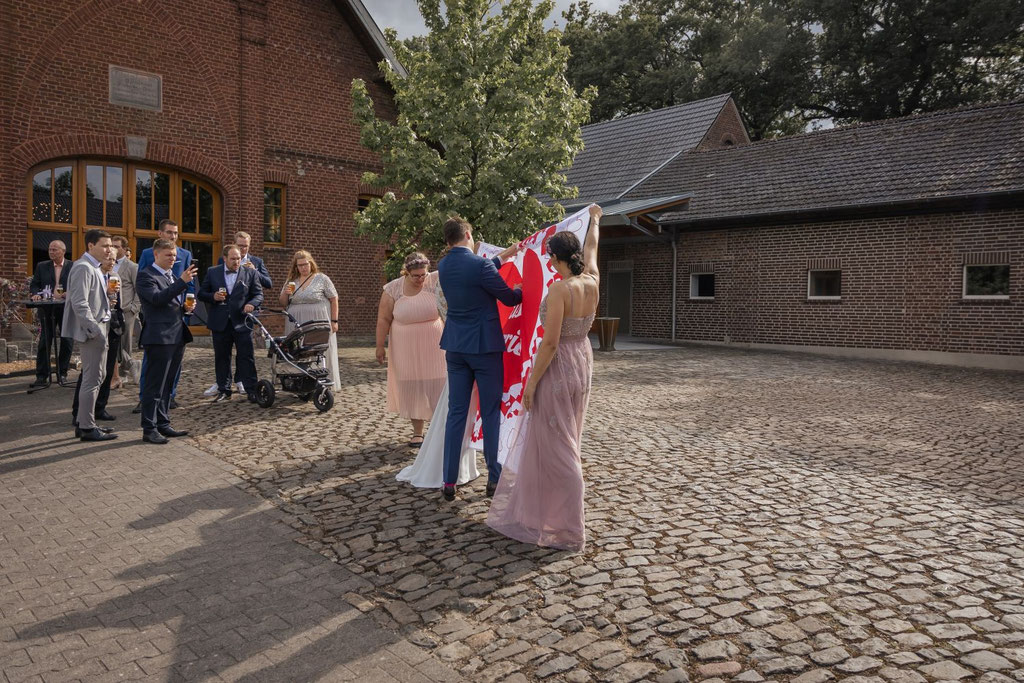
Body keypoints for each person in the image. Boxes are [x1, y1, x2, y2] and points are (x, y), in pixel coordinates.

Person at [487, 205, 602, 551]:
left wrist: (531, 385)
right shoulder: (593, 279)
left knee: (559, 445)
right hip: (582, 358)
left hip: (560, 363)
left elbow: (549, 343)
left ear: (556, 258)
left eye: (551, 258)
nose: (549, 263)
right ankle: (547, 514)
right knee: (569, 435)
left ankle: (567, 525)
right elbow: (593, 246)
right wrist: (595, 220)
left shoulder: (559, 291)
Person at [437, 217, 522, 502]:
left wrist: (504, 256)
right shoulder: (479, 265)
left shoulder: (444, 266)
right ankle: (493, 477)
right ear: (468, 234)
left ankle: (449, 481)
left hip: (456, 347)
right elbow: (509, 299)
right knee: (490, 412)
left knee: (456, 413)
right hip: (484, 348)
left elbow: (479, 271)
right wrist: (525, 289)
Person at [375, 252, 447, 446]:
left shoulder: (435, 280)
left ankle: (440, 428)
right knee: (412, 386)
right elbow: (383, 319)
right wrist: (380, 346)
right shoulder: (393, 288)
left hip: (435, 343)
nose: (420, 279)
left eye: (423, 274)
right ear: (406, 272)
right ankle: (417, 432)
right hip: (404, 345)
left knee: (439, 384)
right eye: (415, 276)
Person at [136, 238, 197, 444]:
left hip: (177, 334)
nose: (172, 259)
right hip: (159, 337)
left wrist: (185, 308)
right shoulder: (146, 276)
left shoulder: (171, 276)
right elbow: (156, 300)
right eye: (168, 255)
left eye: (174, 256)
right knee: (154, 385)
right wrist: (182, 282)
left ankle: (163, 423)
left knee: (167, 385)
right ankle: (149, 428)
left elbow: (170, 303)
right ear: (156, 255)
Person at [61, 229, 117, 442]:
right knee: (92, 379)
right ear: (90, 246)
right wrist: (95, 331)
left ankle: (87, 421)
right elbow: (79, 303)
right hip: (93, 331)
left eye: (111, 245)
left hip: (99, 328)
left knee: (98, 377)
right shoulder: (83, 267)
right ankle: (86, 427)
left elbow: (91, 300)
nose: (109, 249)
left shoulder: (94, 268)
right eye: (105, 245)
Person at [133, 219, 193, 413]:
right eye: (169, 232)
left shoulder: (183, 258)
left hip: (176, 322)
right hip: (158, 325)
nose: (173, 236)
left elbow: (186, 286)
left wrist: (186, 306)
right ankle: (147, 404)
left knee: (171, 372)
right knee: (154, 372)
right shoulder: (147, 264)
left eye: (175, 233)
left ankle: (167, 405)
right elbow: (153, 294)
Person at [205, 230, 271, 396]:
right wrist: (213, 296)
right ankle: (223, 388)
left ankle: (251, 390)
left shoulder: (251, 271)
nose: (237, 260)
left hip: (242, 321)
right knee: (222, 357)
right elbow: (202, 293)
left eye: (240, 256)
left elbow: (259, 293)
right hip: (220, 321)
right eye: (233, 258)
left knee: (246, 357)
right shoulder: (214, 271)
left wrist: (252, 304)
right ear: (225, 258)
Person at [72, 252, 124, 428]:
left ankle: (99, 409)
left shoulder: (115, 277)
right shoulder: (89, 272)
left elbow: (114, 304)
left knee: (105, 372)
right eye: (108, 257)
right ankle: (81, 417)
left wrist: (113, 300)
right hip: (96, 329)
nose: (111, 262)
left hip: (113, 326)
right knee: (90, 375)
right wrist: (95, 331)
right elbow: (82, 303)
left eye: (114, 259)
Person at [278, 250, 340, 389]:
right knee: (299, 351)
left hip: (318, 320)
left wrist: (334, 321)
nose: (303, 268)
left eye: (305, 264)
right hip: (296, 322)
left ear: (311, 263)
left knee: (320, 350)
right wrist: (285, 293)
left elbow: (334, 299)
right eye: (300, 265)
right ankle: (300, 382)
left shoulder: (322, 278)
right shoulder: (291, 281)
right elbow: (283, 303)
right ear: (296, 267)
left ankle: (323, 381)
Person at [29, 239, 73, 386]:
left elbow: (79, 285)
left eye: (55, 249)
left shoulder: (73, 266)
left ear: (63, 251)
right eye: (50, 249)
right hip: (47, 308)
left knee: (67, 341)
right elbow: (35, 284)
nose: (51, 252)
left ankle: (62, 373)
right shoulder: (42, 266)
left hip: (66, 309)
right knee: (45, 341)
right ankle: (42, 376)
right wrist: (35, 294)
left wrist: (70, 293)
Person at [112, 236, 140, 388]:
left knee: (125, 341)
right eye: (112, 246)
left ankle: (124, 373)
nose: (114, 249)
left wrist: (134, 308)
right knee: (112, 341)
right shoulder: (106, 262)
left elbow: (138, 289)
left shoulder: (132, 266)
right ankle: (131, 364)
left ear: (124, 248)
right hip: (111, 310)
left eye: (117, 246)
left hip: (126, 310)